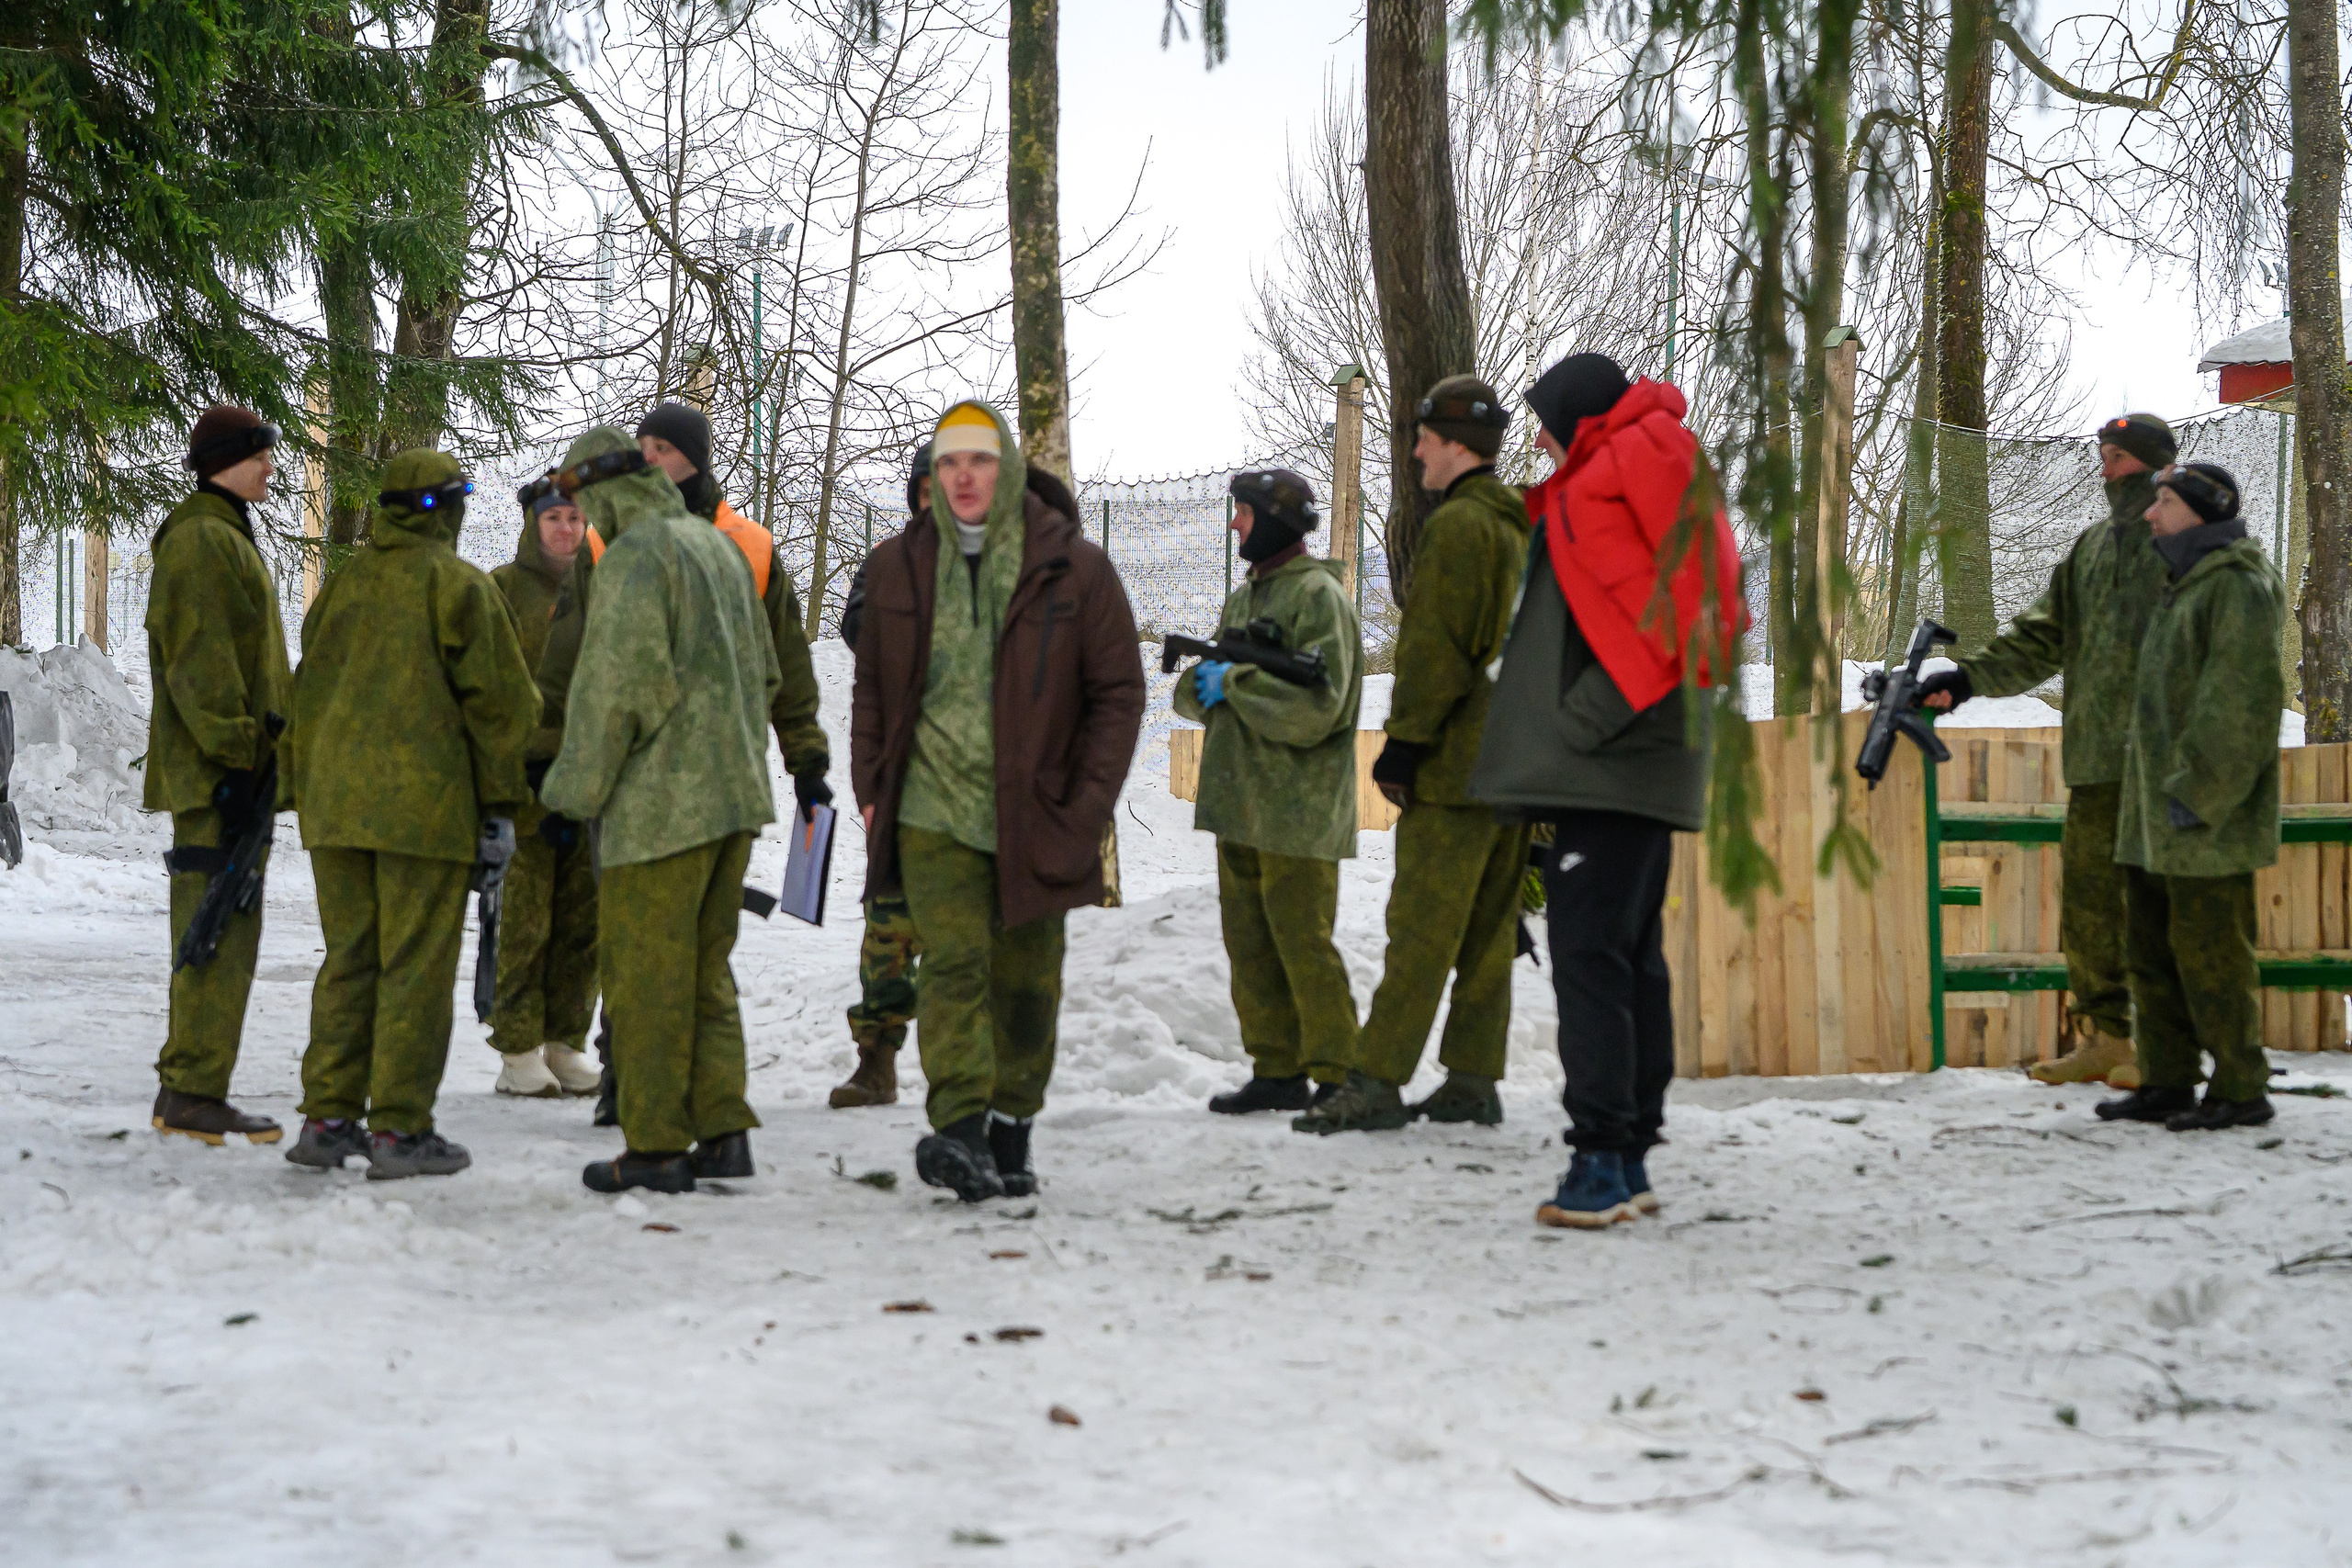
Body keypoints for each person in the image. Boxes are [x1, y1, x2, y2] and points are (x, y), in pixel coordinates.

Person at [1472, 354, 1744, 1227]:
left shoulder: (1646, 449)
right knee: (1622, 952)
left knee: (1591, 953)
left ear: (1580, 410)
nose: (1538, 437)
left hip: (1619, 750)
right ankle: (1625, 1155)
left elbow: (1699, 604)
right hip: (1616, 751)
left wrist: (1585, 720)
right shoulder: (1615, 459)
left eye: (1544, 417)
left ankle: (1600, 1157)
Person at [851, 401, 1144, 1201]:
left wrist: (1087, 805)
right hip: (932, 810)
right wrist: (873, 785)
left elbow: (1117, 694)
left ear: (1008, 466)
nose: (964, 476)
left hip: (1037, 813)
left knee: (1027, 983)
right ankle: (958, 1129)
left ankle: (1012, 1127)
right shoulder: (895, 568)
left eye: (979, 460)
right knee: (952, 967)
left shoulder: (1074, 567)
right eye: (949, 463)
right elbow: (873, 686)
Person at [537, 400, 831, 1122]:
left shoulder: (638, 556)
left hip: (658, 805)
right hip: (733, 797)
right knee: (704, 970)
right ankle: (724, 1124)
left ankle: (655, 1137)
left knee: (644, 969)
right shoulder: (720, 553)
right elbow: (766, 671)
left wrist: (567, 795)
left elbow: (614, 695)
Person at [283, 450, 538, 1179]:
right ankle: (399, 1128)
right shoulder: (457, 587)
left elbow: (310, 683)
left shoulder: (344, 586)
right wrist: (500, 806)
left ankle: (329, 1118)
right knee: (415, 969)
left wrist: (298, 783)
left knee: (350, 960)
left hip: (336, 810)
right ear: (446, 510)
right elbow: (505, 710)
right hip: (423, 813)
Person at [1294, 376, 1530, 1135]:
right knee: (1490, 930)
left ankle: (1377, 1078)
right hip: (1513, 763)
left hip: (1457, 766)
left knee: (1421, 926)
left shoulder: (1460, 527)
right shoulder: (1520, 525)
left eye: (1425, 436)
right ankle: (1470, 1078)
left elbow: (1435, 653)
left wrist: (1403, 744)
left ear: (1458, 442)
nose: (1416, 450)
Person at [1917, 413, 2177, 1089]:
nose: (2106, 470)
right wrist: (1969, 678)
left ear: (2152, 464)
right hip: (2096, 764)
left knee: (2159, 908)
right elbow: (2041, 638)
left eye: (2117, 457)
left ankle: (2163, 1046)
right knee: (2090, 906)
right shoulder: (2092, 550)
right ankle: (2107, 1038)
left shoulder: (2186, 543)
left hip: (2167, 764)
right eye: (2105, 456)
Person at [2093, 463, 2284, 1133]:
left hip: (2205, 818)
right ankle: (2169, 1079)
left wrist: (2198, 793)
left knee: (2212, 953)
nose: (2150, 514)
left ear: (2200, 513)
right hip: (2156, 818)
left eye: (2165, 503)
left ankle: (2240, 1085)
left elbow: (2243, 702)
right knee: (2151, 951)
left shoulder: (2237, 588)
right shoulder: (2186, 586)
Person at [1173, 468, 1363, 1113]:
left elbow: (1321, 709)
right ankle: (1277, 1068)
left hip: (1298, 810)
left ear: (1276, 520)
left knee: (1303, 944)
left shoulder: (1319, 599)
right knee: (1251, 947)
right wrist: (1204, 687)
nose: (1234, 524)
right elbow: (1197, 687)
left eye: (1244, 513)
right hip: (1240, 804)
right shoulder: (1245, 598)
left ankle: (1339, 1074)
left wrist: (1235, 688)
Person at [143, 406, 295, 1145]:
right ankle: (193, 1090)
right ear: (227, 459)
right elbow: (198, 668)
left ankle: (194, 1085)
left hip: (232, 772)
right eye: (262, 454)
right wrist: (237, 757)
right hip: (218, 778)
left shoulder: (223, 529)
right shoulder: (204, 539)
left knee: (224, 926)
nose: (272, 467)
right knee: (214, 930)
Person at [485, 476, 601, 1098]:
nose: (565, 529)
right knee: (525, 920)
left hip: (590, 782)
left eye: (575, 519)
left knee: (585, 919)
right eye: (554, 518)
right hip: (525, 785)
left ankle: (564, 1040)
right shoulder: (502, 590)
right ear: (533, 523)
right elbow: (487, 684)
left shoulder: (602, 591)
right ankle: (518, 1046)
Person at [829, 443, 931, 1110]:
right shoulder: (889, 563)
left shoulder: (1004, 568)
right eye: (926, 490)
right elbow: (856, 624)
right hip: (904, 779)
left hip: (984, 787)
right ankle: (877, 1061)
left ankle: (970, 1075)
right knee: (888, 927)